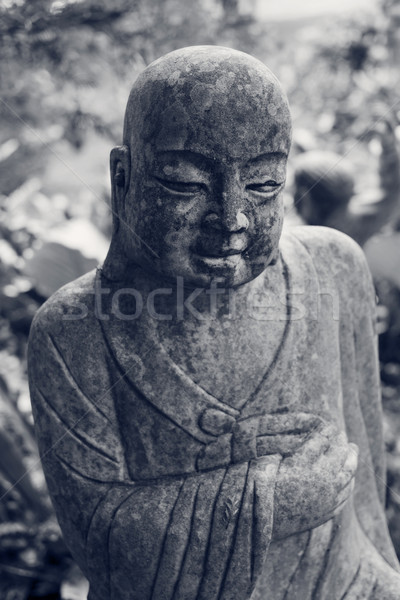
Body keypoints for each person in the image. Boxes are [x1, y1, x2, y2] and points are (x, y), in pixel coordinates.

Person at [28, 46, 400, 599]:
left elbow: (366, 485)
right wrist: (270, 499)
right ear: (123, 178)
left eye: (264, 185)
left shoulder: (333, 267)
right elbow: (100, 540)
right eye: (184, 184)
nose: (231, 219)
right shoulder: (77, 329)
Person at [292, 118, 400, 246]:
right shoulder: (355, 224)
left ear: (306, 199)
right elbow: (391, 192)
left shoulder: (295, 237)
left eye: (295, 189)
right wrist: (389, 149)